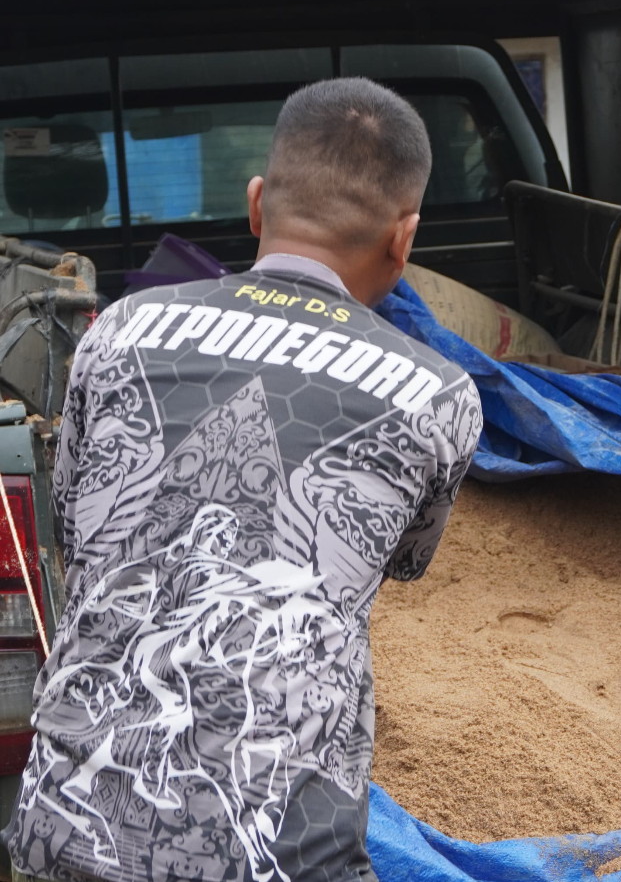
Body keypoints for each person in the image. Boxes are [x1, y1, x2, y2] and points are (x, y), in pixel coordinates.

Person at [3, 78, 483, 882]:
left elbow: (82, 525)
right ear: (404, 241)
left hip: (58, 830)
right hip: (282, 858)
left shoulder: (117, 330)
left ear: (256, 203)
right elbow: (402, 562)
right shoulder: (441, 395)